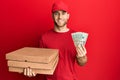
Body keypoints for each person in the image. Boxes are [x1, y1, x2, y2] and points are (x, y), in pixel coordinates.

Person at [23, 1, 87, 80]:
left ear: (68, 16)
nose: (60, 17)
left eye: (63, 13)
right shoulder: (44, 38)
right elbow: (40, 63)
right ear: (52, 16)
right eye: (56, 13)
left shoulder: (76, 37)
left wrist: (82, 57)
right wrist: (32, 71)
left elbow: (82, 63)